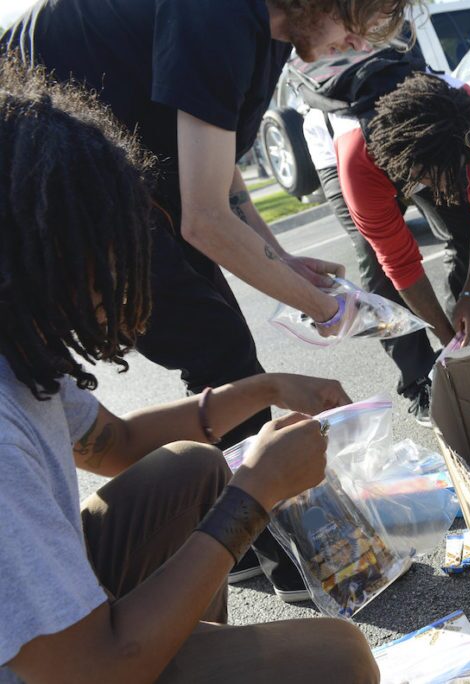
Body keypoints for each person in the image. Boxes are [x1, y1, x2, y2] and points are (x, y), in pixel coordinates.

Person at [1, 0, 407, 600]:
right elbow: (206, 223)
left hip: (130, 178)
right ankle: (274, 547)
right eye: (356, 18)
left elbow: (214, 169)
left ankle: (232, 535)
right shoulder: (219, 12)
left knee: (221, 343)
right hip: (46, 180)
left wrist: (282, 259)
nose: (355, 40)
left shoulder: (271, 31)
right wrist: (327, 309)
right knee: (218, 344)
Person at [303, 65, 470, 425]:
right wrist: (448, 347)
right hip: (340, 146)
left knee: (463, 227)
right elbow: (400, 263)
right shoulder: (358, 162)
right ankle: (419, 379)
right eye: (425, 178)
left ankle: (466, 335)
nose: (431, 186)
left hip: (436, 144)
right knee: (376, 264)